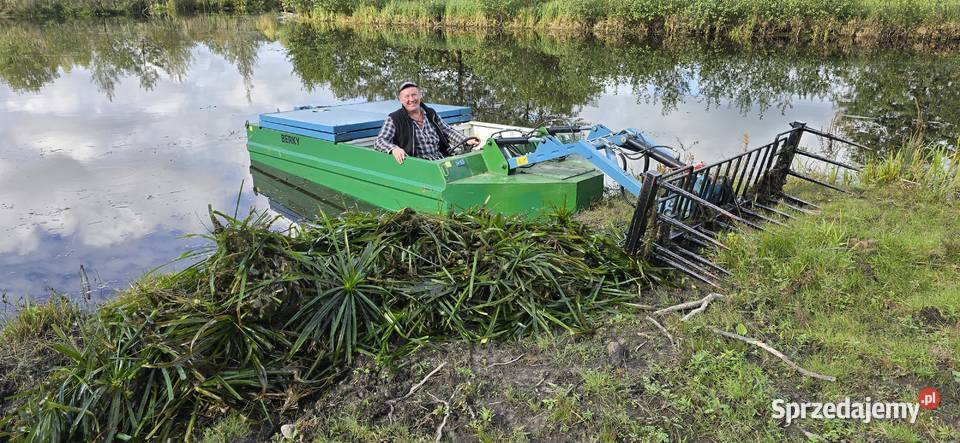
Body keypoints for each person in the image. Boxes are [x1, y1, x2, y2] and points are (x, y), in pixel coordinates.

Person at [374, 81, 480, 164]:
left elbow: (447, 131)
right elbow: (379, 141)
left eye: (414, 95)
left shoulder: (431, 113)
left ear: (420, 96)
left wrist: (466, 140)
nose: (411, 99)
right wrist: (394, 149)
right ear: (400, 100)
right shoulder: (394, 118)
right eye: (406, 96)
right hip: (418, 165)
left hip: (441, 160)